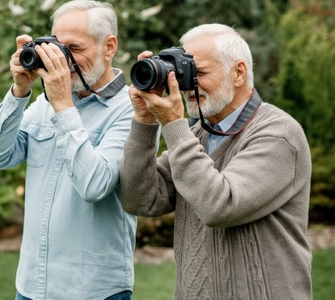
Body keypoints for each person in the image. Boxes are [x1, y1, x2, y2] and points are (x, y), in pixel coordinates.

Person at [119, 23, 312, 299]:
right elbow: (139, 199)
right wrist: (144, 121)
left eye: (198, 73)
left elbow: (220, 206)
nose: (186, 85)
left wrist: (174, 124)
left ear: (239, 73)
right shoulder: (197, 134)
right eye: (182, 74)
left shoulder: (278, 134)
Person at [0, 0, 136, 300]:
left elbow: (95, 185)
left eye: (74, 49)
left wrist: (63, 104)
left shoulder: (130, 109)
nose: (63, 61)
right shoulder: (43, 102)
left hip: (93, 291)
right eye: (57, 48)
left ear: (109, 46)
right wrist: (20, 90)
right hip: (30, 287)